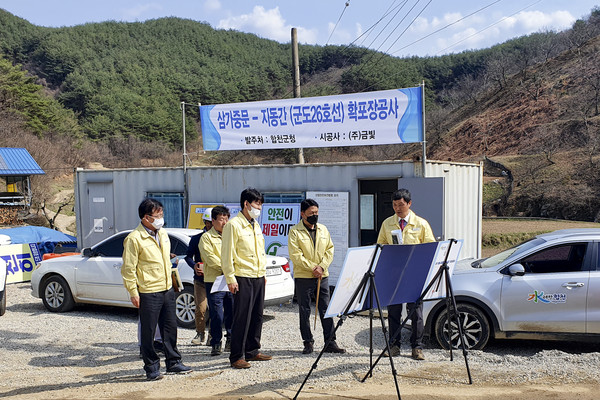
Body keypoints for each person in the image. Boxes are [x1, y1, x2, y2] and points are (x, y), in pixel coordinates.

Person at [121, 198, 192, 380]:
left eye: (162, 214)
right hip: (148, 291)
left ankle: (173, 362)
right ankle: (152, 367)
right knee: (149, 331)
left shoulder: (163, 234)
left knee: (170, 327)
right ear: (146, 218)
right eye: (157, 215)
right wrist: (133, 292)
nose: (161, 218)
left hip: (167, 288)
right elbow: (128, 269)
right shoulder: (134, 239)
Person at [377, 188, 435, 361]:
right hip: (394, 273)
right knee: (394, 311)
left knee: (415, 312)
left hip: (414, 273)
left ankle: (417, 347)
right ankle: (394, 345)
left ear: (409, 204)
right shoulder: (387, 223)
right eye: (394, 205)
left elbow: (430, 248)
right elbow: (380, 244)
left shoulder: (421, 223)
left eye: (401, 205)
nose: (397, 208)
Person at [221, 187, 272, 369]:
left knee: (257, 316)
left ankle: (252, 350)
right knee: (242, 317)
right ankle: (237, 356)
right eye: (257, 204)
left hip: (258, 276)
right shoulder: (233, 225)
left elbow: (260, 252)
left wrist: (263, 273)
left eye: (260, 204)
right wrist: (230, 278)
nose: (259, 208)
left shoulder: (255, 225)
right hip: (242, 277)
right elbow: (227, 254)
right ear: (246, 204)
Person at [288, 199, 346, 355]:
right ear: (302, 214)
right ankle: (308, 342)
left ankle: (330, 342)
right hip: (304, 277)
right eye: (311, 213)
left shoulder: (323, 229)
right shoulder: (295, 231)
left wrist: (322, 267)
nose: (314, 216)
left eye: (316, 213)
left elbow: (330, 250)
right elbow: (295, 255)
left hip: (322, 276)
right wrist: (313, 267)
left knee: (326, 309)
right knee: (304, 310)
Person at [199, 206, 234, 356]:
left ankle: (231, 340)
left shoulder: (232, 235)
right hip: (215, 281)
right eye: (221, 219)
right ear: (213, 221)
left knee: (232, 311)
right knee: (217, 314)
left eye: (227, 218)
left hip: (231, 280)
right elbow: (210, 258)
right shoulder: (206, 238)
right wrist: (228, 267)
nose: (225, 222)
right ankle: (216, 342)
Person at [185, 208, 212, 346]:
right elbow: (188, 256)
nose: (210, 225)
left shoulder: (224, 238)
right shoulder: (196, 239)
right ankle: (200, 333)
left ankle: (213, 336)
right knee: (200, 308)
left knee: (215, 309)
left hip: (216, 280)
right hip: (200, 281)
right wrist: (194, 265)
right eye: (208, 222)